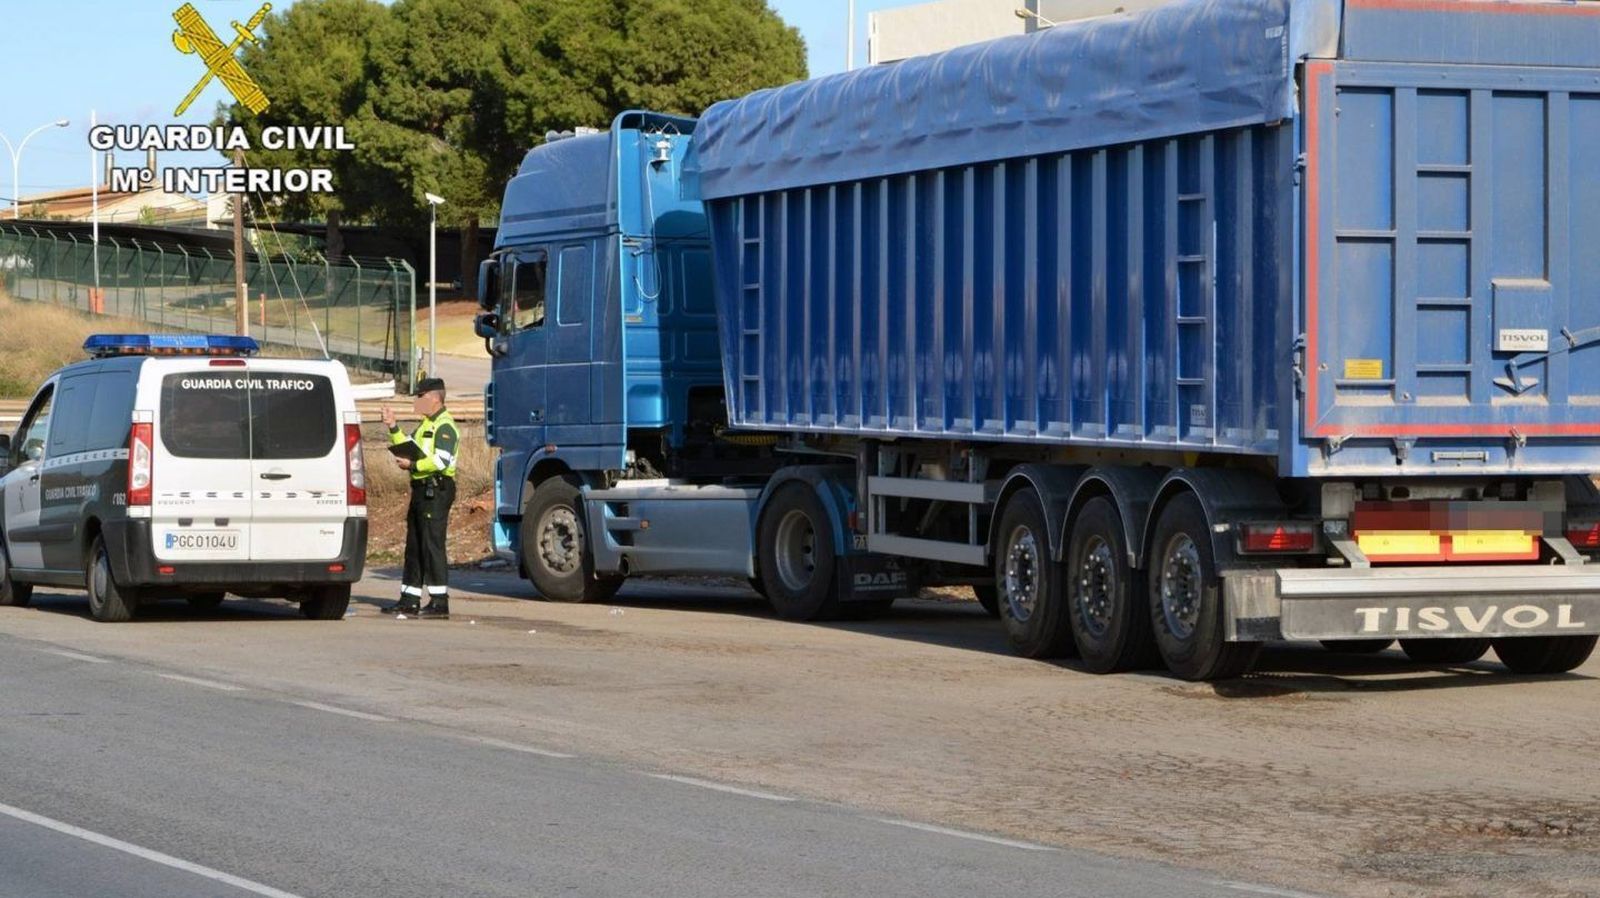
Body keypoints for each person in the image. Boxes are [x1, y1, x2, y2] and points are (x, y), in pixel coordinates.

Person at [380, 377, 459, 620]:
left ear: (434, 398)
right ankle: (409, 599)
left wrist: (413, 463)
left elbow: (441, 461)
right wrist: (393, 427)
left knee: (432, 545)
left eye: (420, 397)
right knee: (414, 545)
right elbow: (408, 444)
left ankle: (439, 601)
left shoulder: (445, 426)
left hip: (436, 489)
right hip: (421, 489)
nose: (416, 402)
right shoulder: (426, 425)